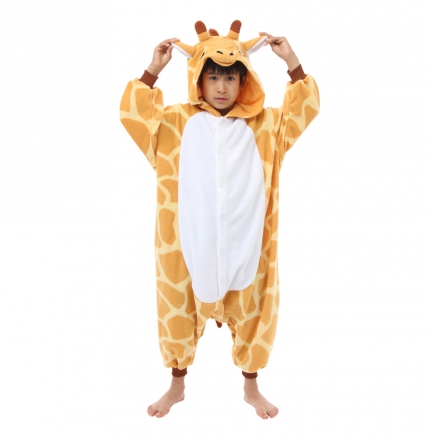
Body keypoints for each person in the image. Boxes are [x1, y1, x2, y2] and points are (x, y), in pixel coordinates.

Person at [119, 20, 320, 419]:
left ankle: (251, 385)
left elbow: (304, 110)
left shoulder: (266, 126)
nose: (222, 86)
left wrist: (292, 62)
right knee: (177, 311)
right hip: (188, 249)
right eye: (213, 77)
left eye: (230, 77)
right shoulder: (175, 123)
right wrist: (153, 69)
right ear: (199, 79)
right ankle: (177, 384)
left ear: (244, 81)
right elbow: (134, 116)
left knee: (256, 312)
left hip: (249, 247)